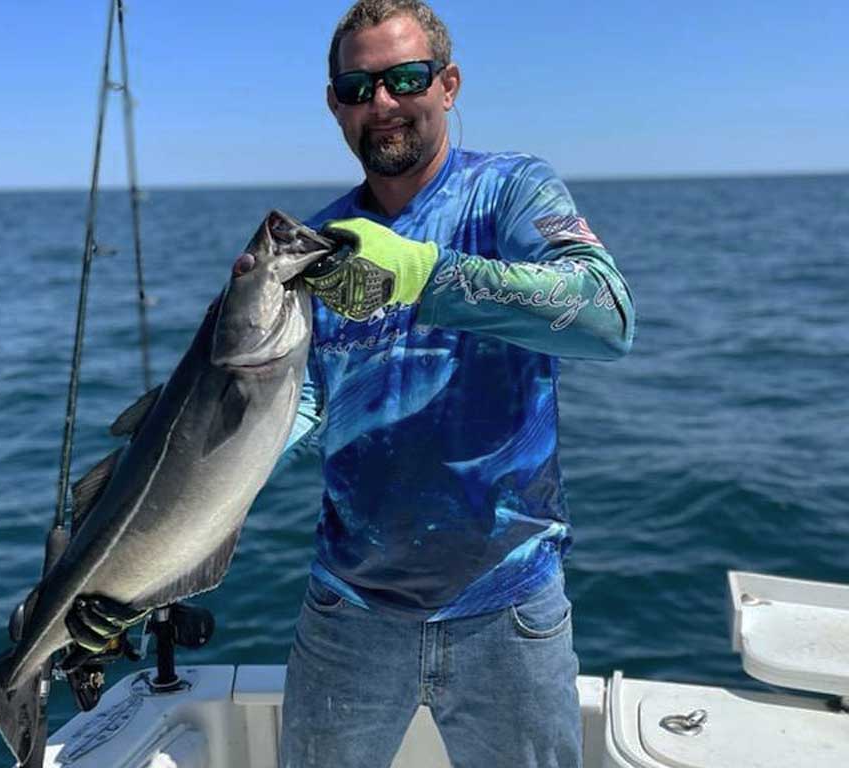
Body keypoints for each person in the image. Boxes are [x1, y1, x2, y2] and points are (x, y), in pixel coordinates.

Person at [67, 2, 634, 766]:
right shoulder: (316, 251)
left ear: (448, 84)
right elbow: (294, 410)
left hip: (508, 608)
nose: (384, 103)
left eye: (406, 78)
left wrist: (427, 274)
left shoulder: (511, 194)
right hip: (349, 614)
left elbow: (607, 315)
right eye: (358, 86)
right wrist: (137, 572)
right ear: (335, 103)